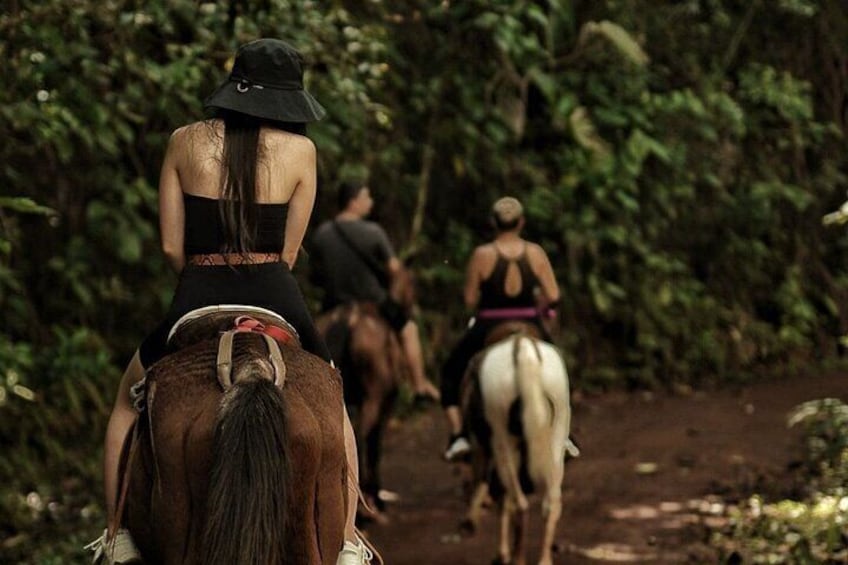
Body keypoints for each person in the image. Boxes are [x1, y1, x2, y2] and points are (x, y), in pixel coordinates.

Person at [89, 39, 372, 565]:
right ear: (287, 101)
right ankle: (351, 542)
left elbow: (173, 246)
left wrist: (207, 280)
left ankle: (116, 536)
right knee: (334, 403)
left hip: (199, 286)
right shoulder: (301, 152)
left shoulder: (182, 141)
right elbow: (287, 252)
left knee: (127, 404)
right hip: (273, 289)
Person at [441, 196, 561, 461]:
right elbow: (553, 294)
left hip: (489, 323)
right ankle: (565, 434)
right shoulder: (535, 253)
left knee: (451, 372)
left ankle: (459, 435)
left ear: (493, 223)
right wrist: (540, 304)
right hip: (530, 322)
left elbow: (470, 300)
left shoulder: (483, 254)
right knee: (559, 368)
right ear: (521, 222)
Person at [310, 180, 440, 402]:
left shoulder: (322, 233)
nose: (370, 202)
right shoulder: (374, 232)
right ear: (353, 201)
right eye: (366, 197)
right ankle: (419, 384)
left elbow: (316, 276)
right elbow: (394, 270)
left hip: (335, 304)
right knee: (409, 330)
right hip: (373, 303)